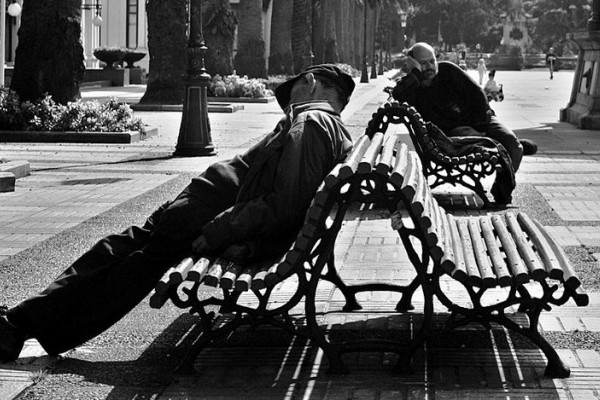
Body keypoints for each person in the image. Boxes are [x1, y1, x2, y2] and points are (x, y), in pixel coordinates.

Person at [0, 64, 356, 362]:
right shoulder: (322, 126)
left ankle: (20, 323)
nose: (286, 103)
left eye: (292, 91)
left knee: (127, 264)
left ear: (309, 83)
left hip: (206, 213)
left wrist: (219, 231)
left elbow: (286, 203)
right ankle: (26, 319)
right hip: (205, 207)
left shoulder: (311, 124)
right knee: (121, 252)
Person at [390, 42, 537, 203]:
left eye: (432, 61)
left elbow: (478, 95)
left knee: (514, 146)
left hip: (481, 118)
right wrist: (416, 73)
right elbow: (398, 94)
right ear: (414, 64)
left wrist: (479, 128)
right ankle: (501, 177)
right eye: (423, 63)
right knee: (500, 145)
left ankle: (502, 186)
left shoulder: (447, 70)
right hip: (452, 133)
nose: (430, 67)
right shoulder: (413, 86)